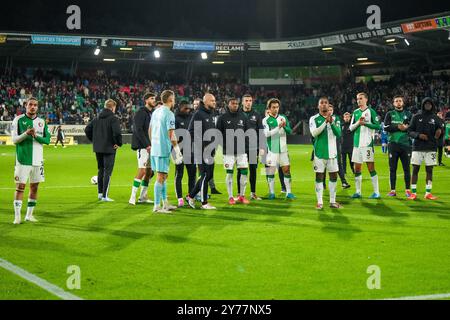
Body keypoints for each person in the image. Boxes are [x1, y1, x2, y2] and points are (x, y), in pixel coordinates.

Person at [11, 97, 50, 224]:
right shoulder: (18, 120)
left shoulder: (42, 122)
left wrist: (35, 135)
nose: (33, 107)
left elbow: (47, 140)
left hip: (38, 160)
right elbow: (14, 140)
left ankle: (29, 215)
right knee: (20, 187)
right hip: (23, 159)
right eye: (30, 105)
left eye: (35, 105)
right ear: (26, 106)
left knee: (34, 187)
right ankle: (17, 217)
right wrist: (26, 134)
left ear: (37, 107)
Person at [149, 90, 182, 213]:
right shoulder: (169, 114)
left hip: (155, 148)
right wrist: (177, 149)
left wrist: (153, 143)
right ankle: (157, 206)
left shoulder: (156, 112)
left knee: (164, 176)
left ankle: (165, 203)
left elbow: (150, 129)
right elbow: (171, 133)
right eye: (174, 98)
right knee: (160, 177)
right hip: (163, 149)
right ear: (171, 99)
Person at [85, 99, 123, 202]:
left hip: (98, 148)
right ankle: (105, 196)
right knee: (108, 172)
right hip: (109, 148)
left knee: (100, 170)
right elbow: (117, 133)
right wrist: (118, 143)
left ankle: (100, 194)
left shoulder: (96, 118)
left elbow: (87, 129)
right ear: (112, 107)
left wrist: (94, 140)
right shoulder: (113, 118)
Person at [309, 97, 343, 210]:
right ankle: (320, 202)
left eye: (326, 103)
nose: (324, 105)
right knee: (319, 176)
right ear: (318, 106)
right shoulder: (313, 119)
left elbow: (338, 134)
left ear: (329, 106)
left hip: (333, 154)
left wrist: (331, 123)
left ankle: (332, 201)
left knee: (333, 176)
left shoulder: (335, 119)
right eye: (321, 103)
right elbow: (314, 133)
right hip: (319, 153)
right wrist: (325, 122)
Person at [186, 94, 218, 210]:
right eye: (212, 100)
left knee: (208, 175)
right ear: (205, 101)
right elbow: (191, 132)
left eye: (215, 100)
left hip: (210, 150)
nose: (215, 102)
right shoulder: (198, 114)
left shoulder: (212, 113)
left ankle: (190, 196)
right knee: (204, 175)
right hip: (201, 150)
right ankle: (204, 203)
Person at [217, 97, 250, 205]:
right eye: (232, 103)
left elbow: (248, 132)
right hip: (228, 151)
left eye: (236, 103)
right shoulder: (222, 117)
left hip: (242, 151)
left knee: (244, 172)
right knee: (229, 173)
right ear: (228, 104)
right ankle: (231, 197)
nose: (235, 105)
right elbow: (218, 133)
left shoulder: (243, 117)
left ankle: (241, 196)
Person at [408, 98, 443, 200]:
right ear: (422, 105)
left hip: (431, 148)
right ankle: (413, 193)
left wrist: (439, 133)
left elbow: (440, 131)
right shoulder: (416, 117)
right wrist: (418, 135)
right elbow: (410, 131)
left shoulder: (436, 118)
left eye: (429, 104)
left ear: (432, 105)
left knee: (429, 170)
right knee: (415, 169)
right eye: (426, 103)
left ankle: (428, 193)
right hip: (418, 147)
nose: (428, 105)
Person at [262, 98, 296, 200]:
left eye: (277, 107)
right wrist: (278, 127)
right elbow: (267, 134)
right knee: (271, 171)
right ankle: (272, 193)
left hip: (283, 149)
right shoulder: (266, 120)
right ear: (269, 108)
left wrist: (284, 127)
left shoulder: (283, 117)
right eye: (273, 107)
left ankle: (288, 192)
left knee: (286, 170)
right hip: (272, 149)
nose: (276, 109)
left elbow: (290, 131)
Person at [349, 92, 381, 199]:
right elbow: (350, 128)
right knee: (357, 169)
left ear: (366, 99)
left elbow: (378, 126)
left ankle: (376, 192)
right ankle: (358, 192)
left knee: (371, 168)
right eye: (357, 99)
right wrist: (358, 123)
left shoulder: (371, 111)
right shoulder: (355, 112)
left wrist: (366, 124)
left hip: (367, 144)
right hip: (357, 145)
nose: (358, 101)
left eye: (361, 98)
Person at [129, 93, 156, 205]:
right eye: (151, 98)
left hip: (150, 146)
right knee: (142, 170)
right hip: (143, 146)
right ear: (146, 100)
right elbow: (138, 129)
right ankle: (132, 197)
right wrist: (147, 145)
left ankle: (143, 196)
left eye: (154, 98)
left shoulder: (150, 114)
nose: (154, 100)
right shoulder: (141, 112)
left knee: (149, 172)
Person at [383, 95, 413, 198]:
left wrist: (406, 128)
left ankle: (408, 190)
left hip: (406, 144)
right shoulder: (390, 114)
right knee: (392, 168)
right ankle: (393, 190)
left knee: (407, 168)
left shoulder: (409, 114)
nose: (398, 102)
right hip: (393, 144)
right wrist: (398, 127)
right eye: (396, 101)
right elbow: (386, 127)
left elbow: (412, 128)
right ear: (393, 103)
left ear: (403, 103)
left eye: (400, 101)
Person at [236, 94, 264, 201]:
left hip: (253, 147)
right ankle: (239, 194)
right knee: (240, 170)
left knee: (253, 170)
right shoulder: (237, 114)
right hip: (240, 148)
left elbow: (260, 131)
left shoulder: (256, 115)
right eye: (246, 100)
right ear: (242, 102)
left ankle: (253, 193)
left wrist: (261, 147)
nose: (248, 102)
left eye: (250, 100)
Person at [174, 100, 196, 207]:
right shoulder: (175, 118)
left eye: (189, 108)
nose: (187, 110)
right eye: (185, 108)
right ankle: (179, 198)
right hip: (178, 150)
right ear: (180, 107)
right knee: (179, 174)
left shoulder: (192, 117)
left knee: (192, 174)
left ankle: (190, 196)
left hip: (190, 150)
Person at [329, 105, 351, 189]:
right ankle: (322, 184)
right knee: (323, 165)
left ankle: (344, 182)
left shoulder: (336, 118)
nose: (330, 111)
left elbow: (338, 132)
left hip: (335, 143)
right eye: (329, 110)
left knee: (338, 163)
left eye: (331, 110)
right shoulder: (322, 118)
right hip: (325, 144)